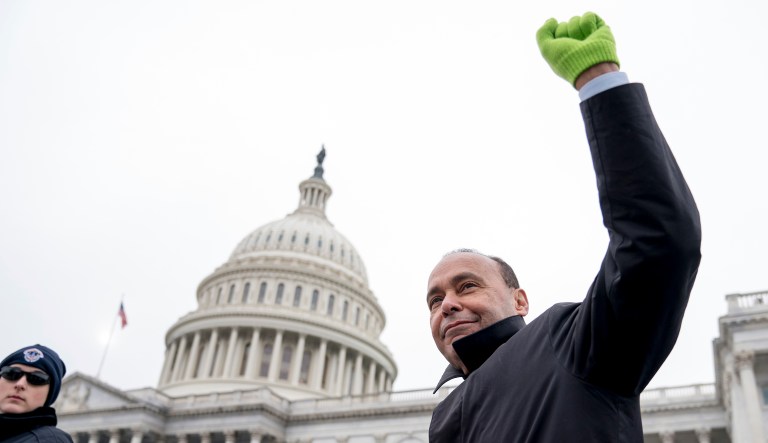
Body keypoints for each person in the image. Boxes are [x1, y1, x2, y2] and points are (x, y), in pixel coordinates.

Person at [427, 12, 701, 442]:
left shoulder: (570, 343)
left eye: (467, 286)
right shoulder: (445, 421)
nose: (447, 305)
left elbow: (657, 243)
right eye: (435, 299)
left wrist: (599, 81)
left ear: (519, 300)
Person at [0, 345, 73, 443]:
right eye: (11, 373)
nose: (20, 384)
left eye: (36, 379)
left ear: (49, 395)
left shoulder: (50, 440)